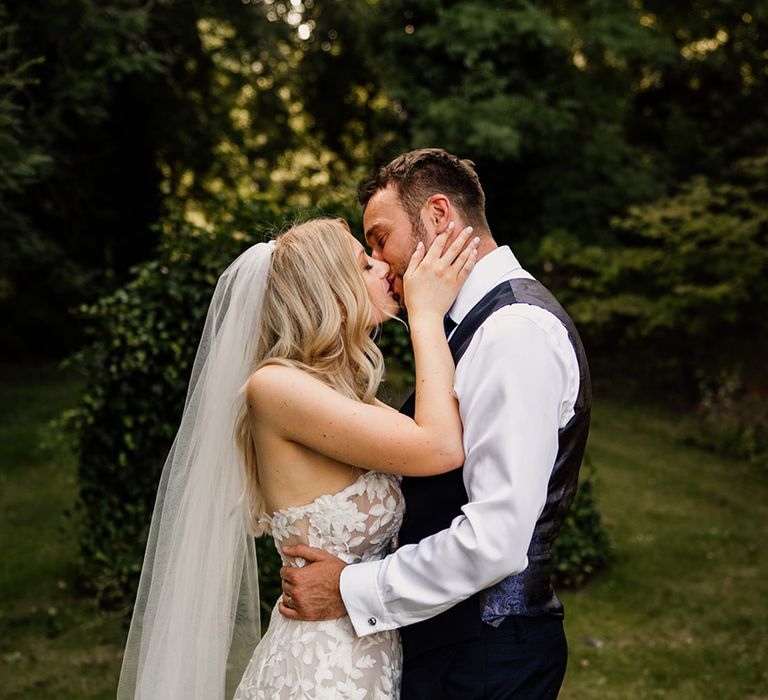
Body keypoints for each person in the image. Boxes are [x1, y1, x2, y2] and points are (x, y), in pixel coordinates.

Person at [116, 216, 479, 700]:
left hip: (369, 646)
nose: (384, 270)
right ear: (330, 288)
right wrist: (427, 315)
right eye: (364, 263)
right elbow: (438, 447)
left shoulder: (342, 388)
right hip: (320, 667)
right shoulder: (277, 387)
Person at [279, 149, 592, 699]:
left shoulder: (512, 333)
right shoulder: (467, 327)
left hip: (488, 658)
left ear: (440, 215)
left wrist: (350, 589)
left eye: (379, 238)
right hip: (455, 649)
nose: (378, 262)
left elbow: (495, 541)